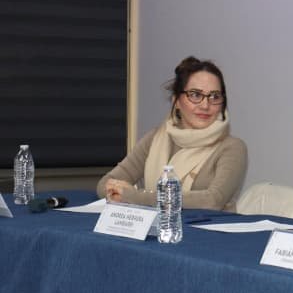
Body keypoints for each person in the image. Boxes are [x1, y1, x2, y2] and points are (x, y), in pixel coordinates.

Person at [98, 56, 247, 211]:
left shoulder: (232, 147)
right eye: (195, 95)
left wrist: (134, 197)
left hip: (211, 226)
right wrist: (116, 191)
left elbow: (212, 201)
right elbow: (106, 183)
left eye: (214, 96)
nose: (205, 105)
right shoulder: (156, 138)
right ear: (177, 101)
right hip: (156, 224)